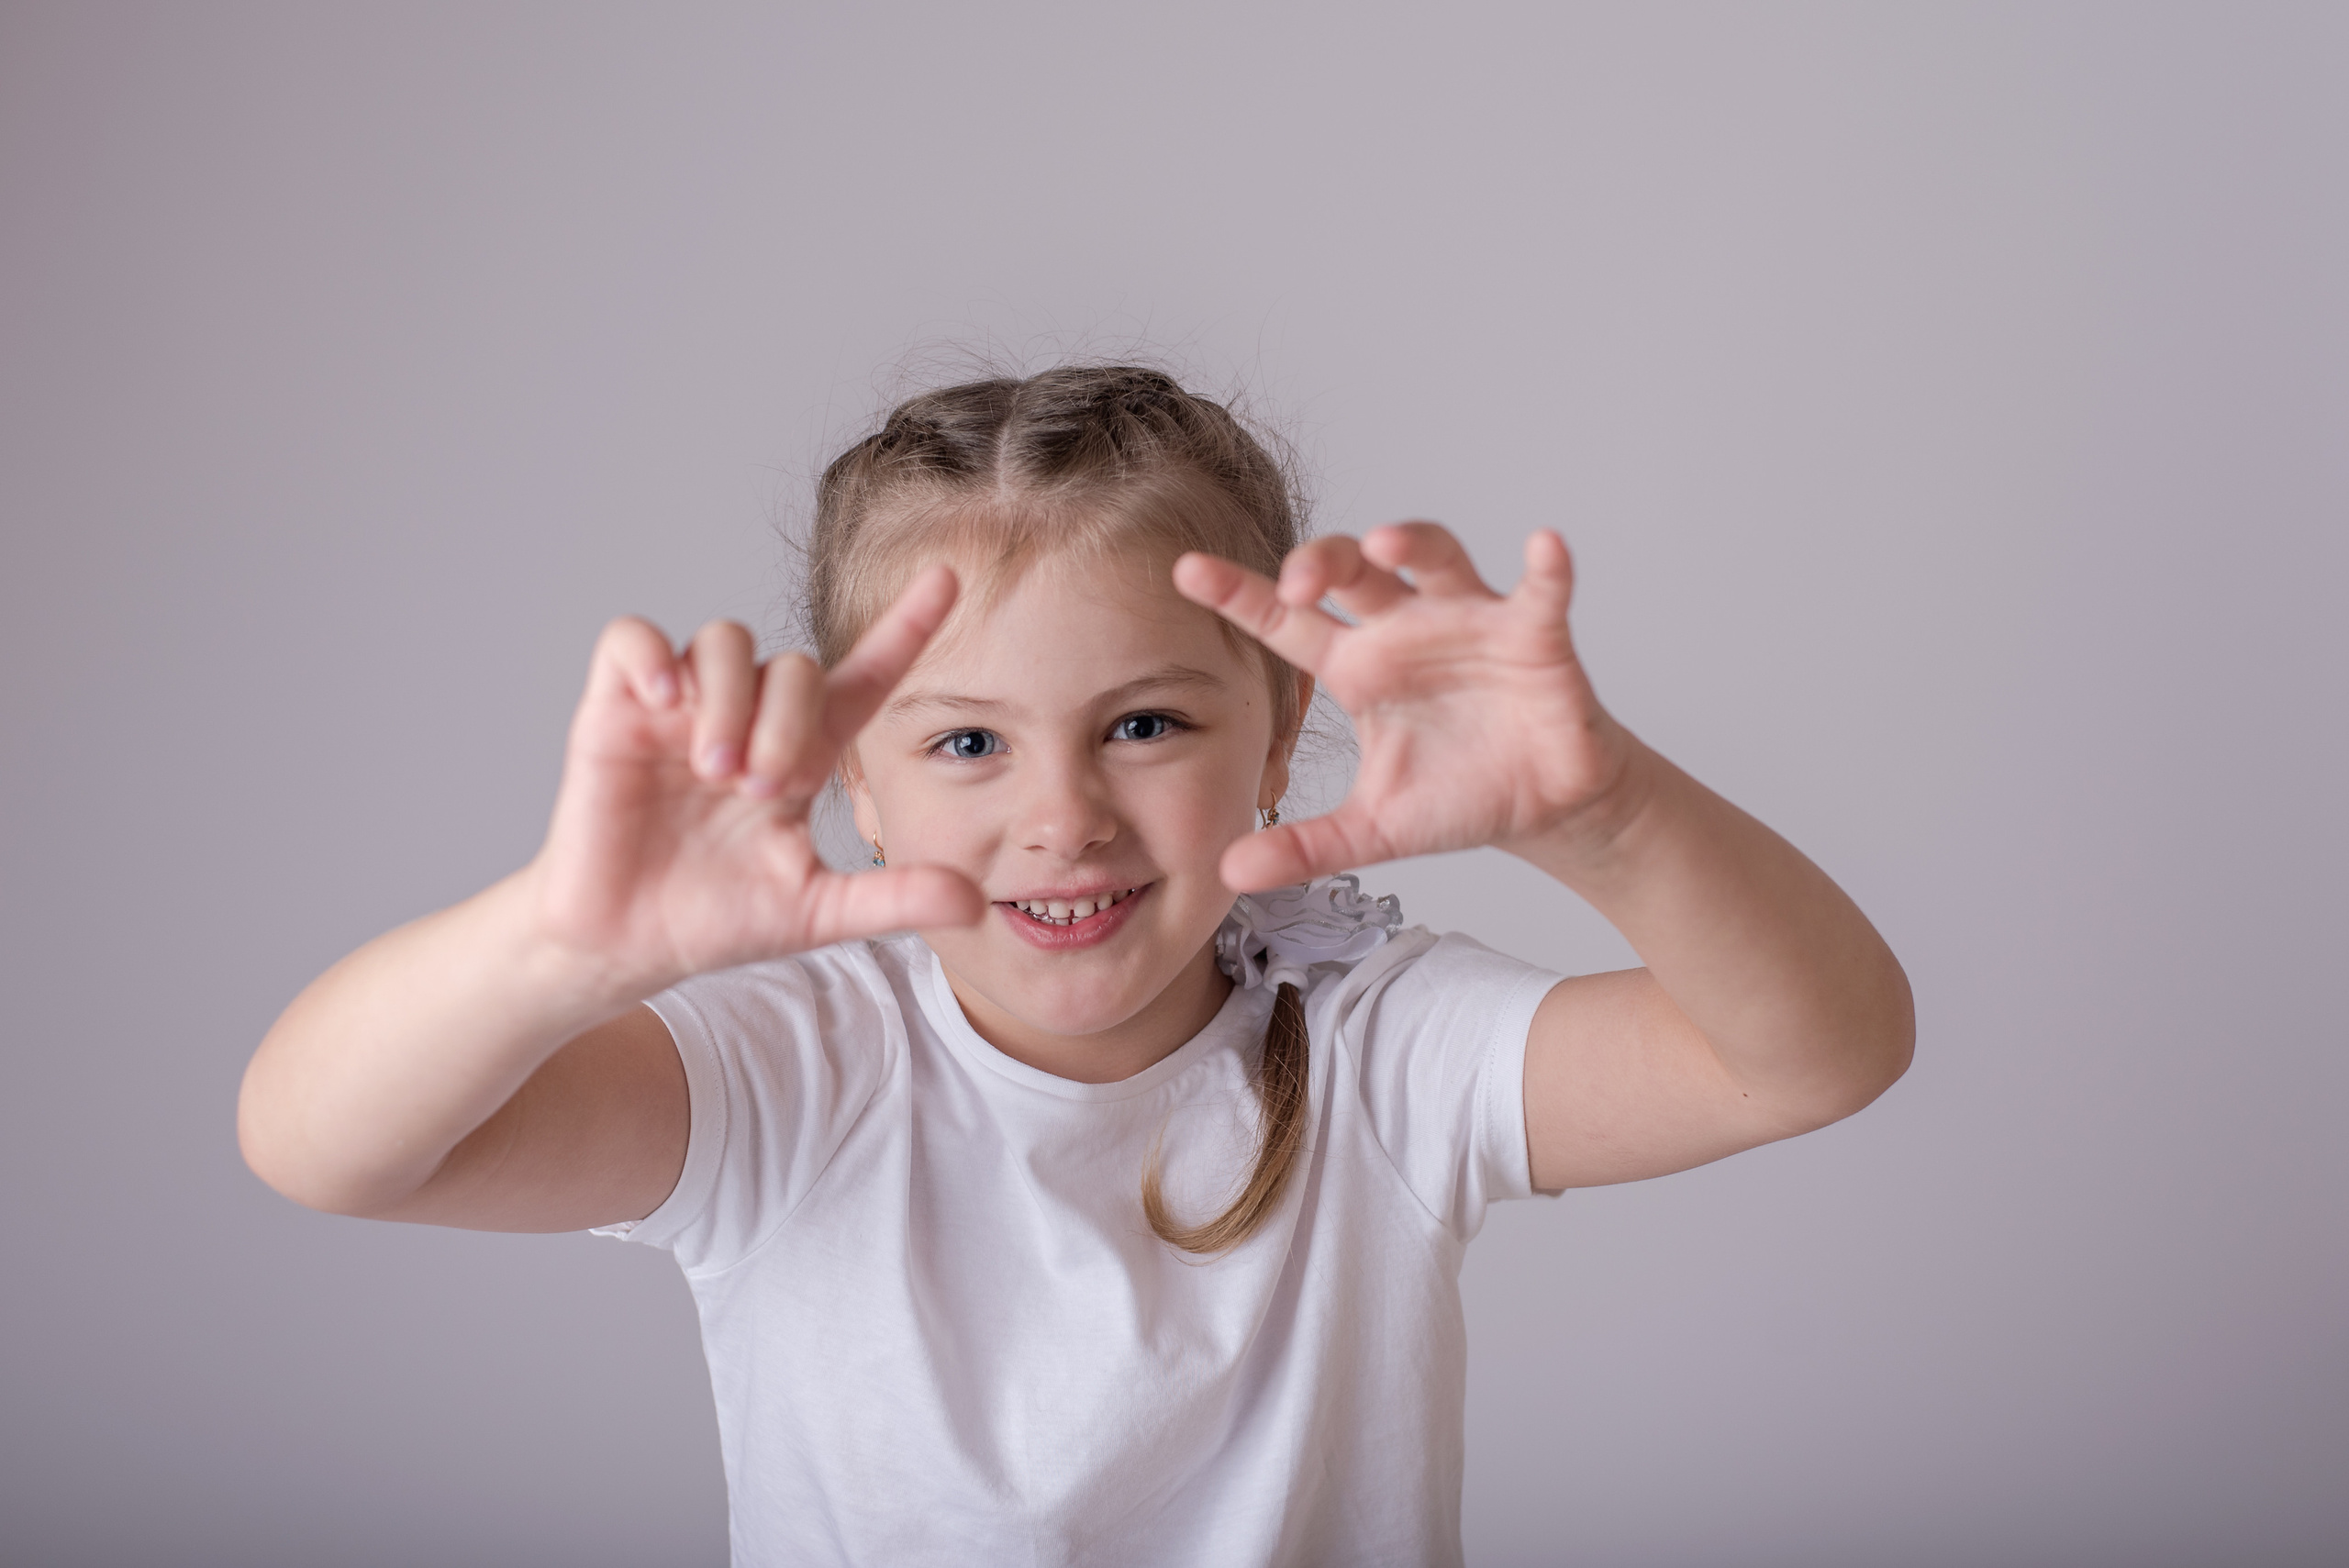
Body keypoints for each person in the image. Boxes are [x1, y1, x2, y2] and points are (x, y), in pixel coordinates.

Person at [239, 364, 1914, 1566]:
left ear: (1281, 734)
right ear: (854, 779)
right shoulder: (787, 1072)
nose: (1064, 815)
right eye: (967, 739)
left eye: (1145, 723)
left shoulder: (1379, 1048)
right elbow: (326, 1144)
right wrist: (560, 941)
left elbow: (1814, 1054)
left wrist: (1601, 812)